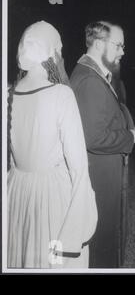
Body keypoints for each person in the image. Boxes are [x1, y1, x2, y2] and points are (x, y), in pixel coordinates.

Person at [7, 21, 97, 268]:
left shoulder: (8, 93)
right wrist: (79, 222)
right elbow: (79, 166)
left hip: (17, 192)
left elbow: (13, 158)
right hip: (52, 196)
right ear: (53, 53)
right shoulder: (61, 95)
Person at [70, 21, 135, 268]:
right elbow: (94, 137)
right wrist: (130, 137)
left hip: (102, 173)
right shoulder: (91, 80)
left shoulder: (92, 74)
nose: (123, 51)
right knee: (102, 238)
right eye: (119, 45)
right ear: (99, 43)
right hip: (100, 178)